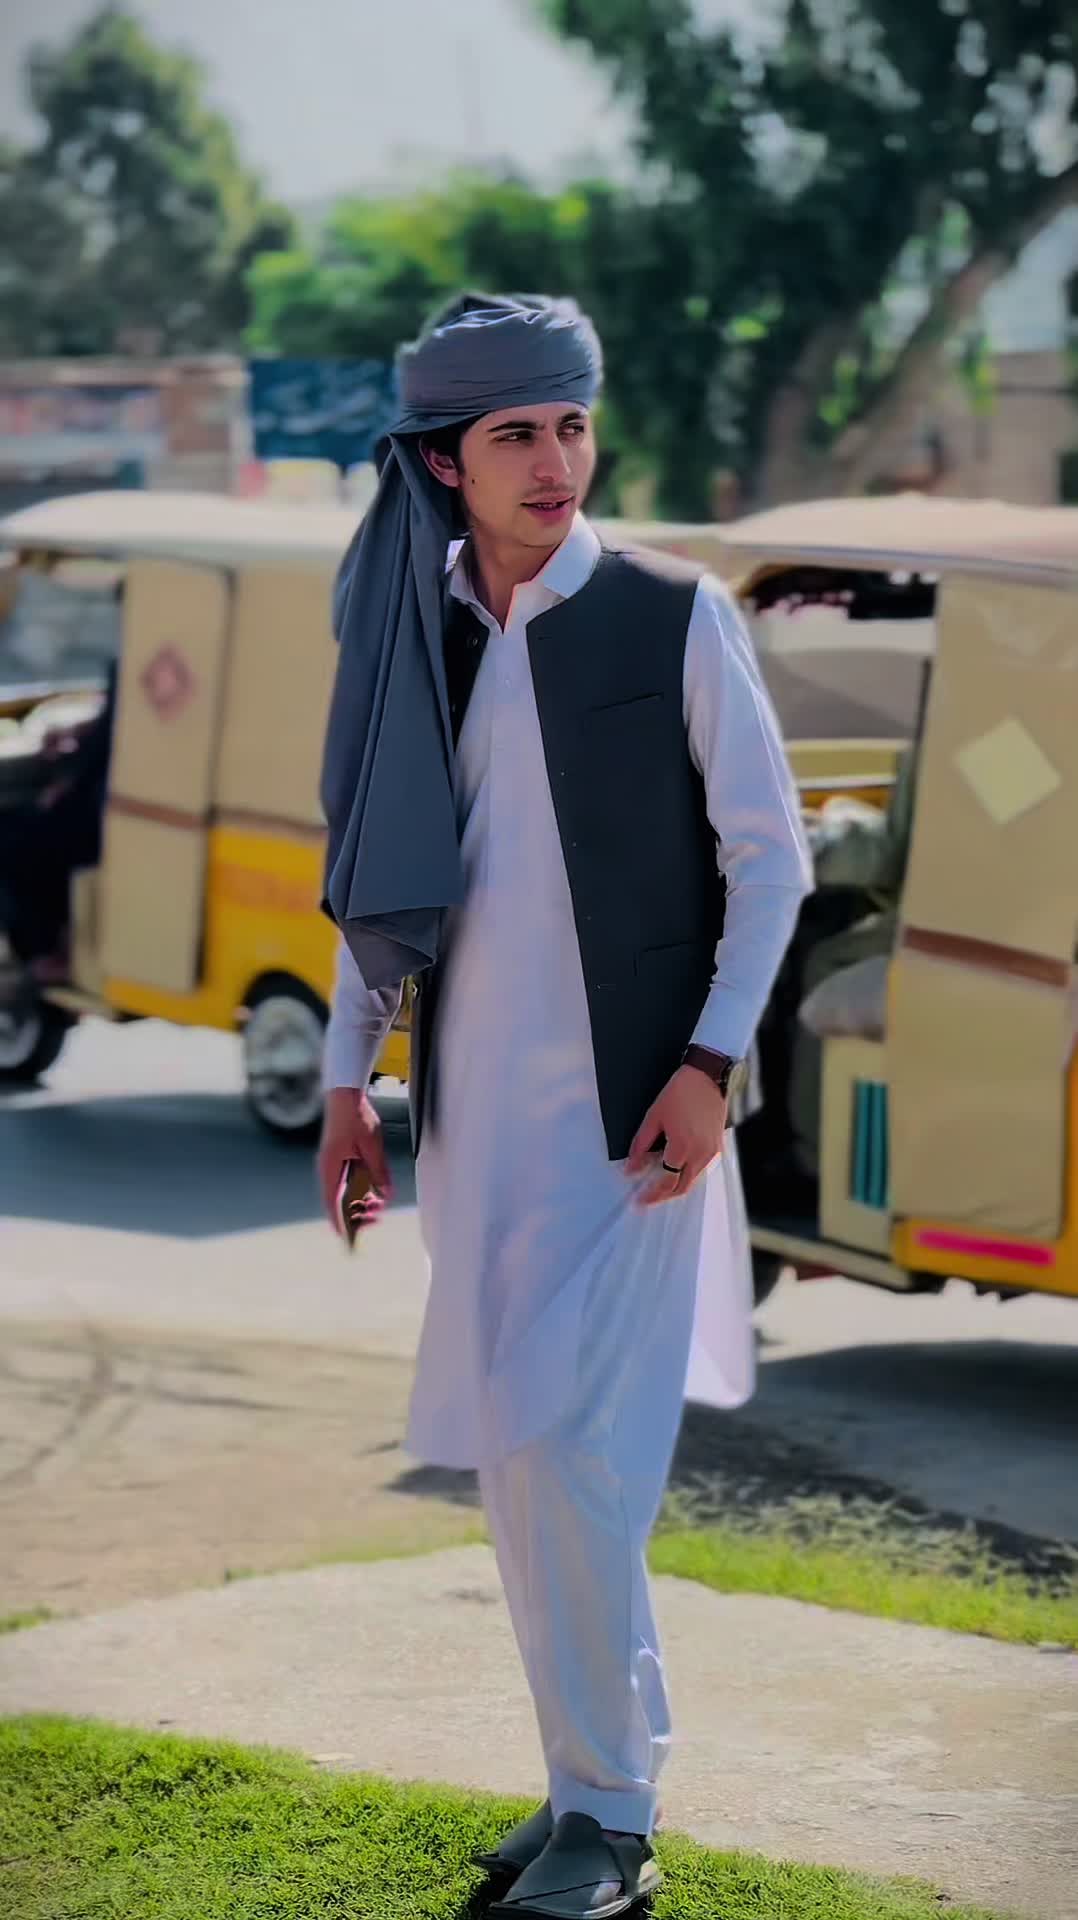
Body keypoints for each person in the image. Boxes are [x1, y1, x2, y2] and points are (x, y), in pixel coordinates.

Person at [316, 292, 811, 1918]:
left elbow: (769, 861)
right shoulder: (425, 631)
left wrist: (708, 1066)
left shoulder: (669, 614)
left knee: (576, 1462)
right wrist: (347, 1082)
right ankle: (578, 1787)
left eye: (571, 426)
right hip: (474, 1128)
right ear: (442, 462)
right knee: (523, 1473)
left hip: (632, 1131)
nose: (553, 462)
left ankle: (613, 1811)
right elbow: (380, 891)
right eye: (515, 433)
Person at [0, 662, 117, 979]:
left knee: (16, 841)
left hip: (108, 807)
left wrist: (70, 782)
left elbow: (115, 735)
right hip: (101, 794)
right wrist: (78, 733)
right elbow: (114, 722)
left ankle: (44, 950)